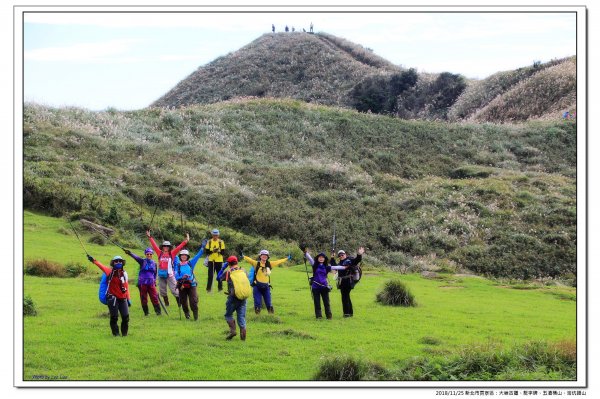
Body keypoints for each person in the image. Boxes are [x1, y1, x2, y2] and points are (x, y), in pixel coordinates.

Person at [88, 254, 131, 336]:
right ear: (113, 263)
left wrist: (128, 298)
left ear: (122, 263)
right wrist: (93, 260)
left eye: (120, 261)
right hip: (112, 298)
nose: (118, 262)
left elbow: (126, 287)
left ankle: (124, 334)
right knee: (114, 317)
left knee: (126, 317)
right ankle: (116, 334)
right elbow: (101, 266)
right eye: (116, 261)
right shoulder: (109, 272)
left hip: (123, 298)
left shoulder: (125, 274)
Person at [147, 230, 189, 306]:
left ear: (169, 247)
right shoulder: (159, 253)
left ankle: (179, 303)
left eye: (167, 246)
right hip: (161, 275)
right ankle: (166, 303)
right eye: (164, 246)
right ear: (162, 247)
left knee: (175, 290)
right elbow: (154, 245)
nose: (166, 247)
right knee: (162, 291)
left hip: (170, 275)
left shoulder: (172, 253)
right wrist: (150, 237)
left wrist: (186, 240)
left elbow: (180, 247)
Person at [244, 249, 291, 314]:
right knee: (257, 303)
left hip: (266, 287)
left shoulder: (270, 264)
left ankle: (271, 317)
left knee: (269, 304)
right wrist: (243, 256)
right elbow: (249, 260)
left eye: (266, 255)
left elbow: (279, 261)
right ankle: (257, 317)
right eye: (263, 255)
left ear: (268, 257)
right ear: (260, 256)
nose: (264, 256)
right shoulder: (256, 264)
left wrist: (287, 258)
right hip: (257, 287)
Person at [304, 250, 345, 319]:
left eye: (322, 257)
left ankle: (329, 316)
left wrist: (345, 267)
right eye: (319, 257)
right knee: (317, 303)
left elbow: (336, 267)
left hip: (324, 287)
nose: (321, 258)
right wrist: (306, 253)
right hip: (315, 287)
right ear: (317, 258)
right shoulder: (315, 265)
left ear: (324, 259)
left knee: (326, 302)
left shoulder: (327, 267)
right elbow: (310, 259)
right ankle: (319, 316)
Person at [217, 256, 250, 341]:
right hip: (243, 297)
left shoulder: (228, 272)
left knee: (228, 315)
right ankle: (243, 339)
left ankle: (233, 331)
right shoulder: (243, 270)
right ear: (237, 262)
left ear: (228, 263)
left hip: (233, 297)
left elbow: (218, 278)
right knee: (241, 317)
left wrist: (222, 268)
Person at [124, 247, 161, 316]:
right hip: (143, 283)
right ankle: (146, 313)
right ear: (145, 254)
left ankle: (158, 312)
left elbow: (155, 273)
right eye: (147, 254)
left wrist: (155, 281)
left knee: (154, 297)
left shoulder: (154, 263)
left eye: (150, 254)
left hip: (151, 283)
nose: (149, 255)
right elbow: (136, 257)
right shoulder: (142, 261)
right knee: (144, 298)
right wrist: (130, 253)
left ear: (152, 254)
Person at [173, 243, 205, 321]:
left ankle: (195, 316)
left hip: (192, 284)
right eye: (182, 255)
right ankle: (187, 314)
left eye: (185, 255)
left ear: (187, 256)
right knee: (183, 301)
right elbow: (176, 275)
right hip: (181, 285)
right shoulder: (177, 265)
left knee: (193, 301)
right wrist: (182, 277)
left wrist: (202, 248)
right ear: (180, 256)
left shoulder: (191, 263)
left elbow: (197, 256)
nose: (183, 256)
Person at [330, 247, 365, 318]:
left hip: (348, 281)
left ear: (345, 254)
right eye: (339, 255)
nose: (341, 256)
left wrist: (359, 254)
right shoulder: (341, 262)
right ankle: (350, 313)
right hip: (343, 282)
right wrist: (332, 258)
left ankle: (346, 314)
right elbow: (335, 267)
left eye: (342, 255)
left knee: (344, 297)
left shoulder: (349, 260)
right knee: (346, 297)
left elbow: (357, 260)